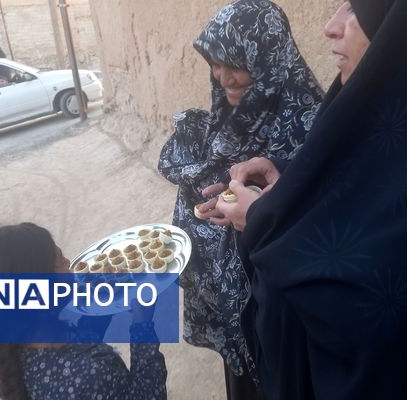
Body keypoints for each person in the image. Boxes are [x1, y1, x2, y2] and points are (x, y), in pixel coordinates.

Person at [215, 0, 407, 399]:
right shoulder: (383, 118)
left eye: (357, 10)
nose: (331, 26)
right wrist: (291, 178)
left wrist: (262, 219)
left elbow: (374, 316)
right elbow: (358, 188)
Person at [157, 1, 324, 398]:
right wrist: (227, 200)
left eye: (235, 63)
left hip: (284, 306)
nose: (222, 76)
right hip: (239, 309)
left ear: (267, 56)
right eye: (214, 62)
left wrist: (260, 212)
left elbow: (320, 218)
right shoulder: (232, 107)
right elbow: (231, 174)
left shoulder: (311, 122)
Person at [0, 223, 168, 400]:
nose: (69, 263)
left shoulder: (17, 346)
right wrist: (142, 327)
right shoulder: (90, 375)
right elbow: (148, 394)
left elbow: (79, 344)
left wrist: (101, 311)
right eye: (59, 261)